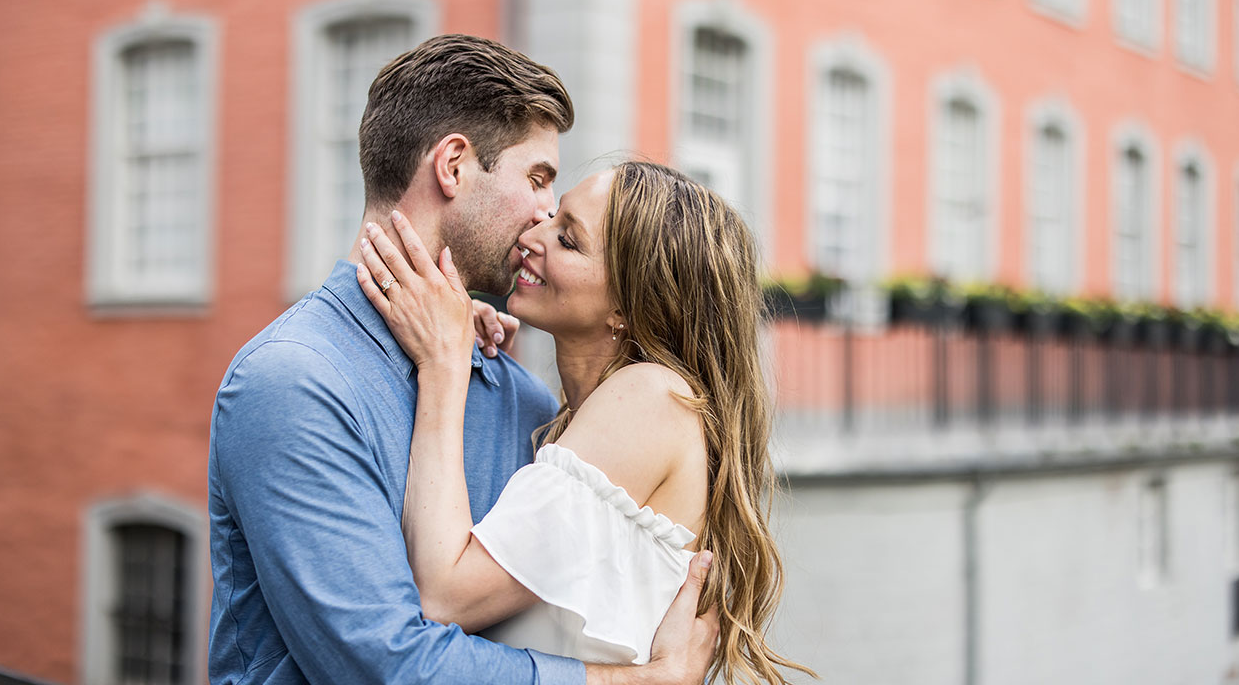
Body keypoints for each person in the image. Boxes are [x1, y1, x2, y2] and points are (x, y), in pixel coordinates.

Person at [208, 34, 718, 685]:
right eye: (538, 179)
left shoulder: (525, 402)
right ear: (453, 166)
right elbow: (384, 666)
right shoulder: (295, 382)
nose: (543, 216)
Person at [354, 161, 817, 683]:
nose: (532, 235)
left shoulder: (650, 397)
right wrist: (466, 344)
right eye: (551, 217)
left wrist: (443, 365)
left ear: (628, 303)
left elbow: (444, 594)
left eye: (568, 239)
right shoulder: (584, 418)